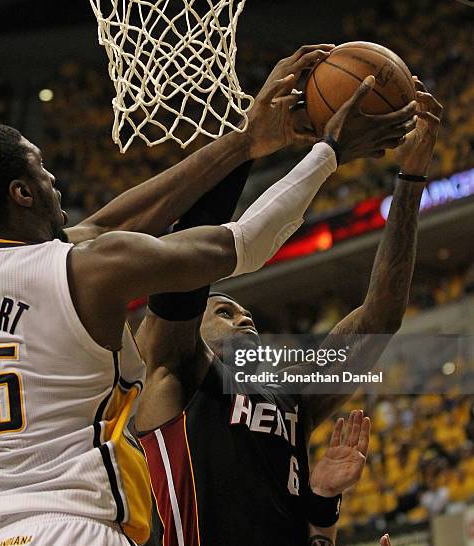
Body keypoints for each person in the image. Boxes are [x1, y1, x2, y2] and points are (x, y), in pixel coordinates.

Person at [0, 42, 416, 545]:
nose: (54, 181)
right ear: (22, 194)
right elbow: (246, 242)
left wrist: (245, 142)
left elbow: (119, 222)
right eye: (41, 172)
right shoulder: (85, 272)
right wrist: (330, 153)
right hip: (68, 527)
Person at [135, 79, 442, 546]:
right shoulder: (172, 371)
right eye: (223, 310)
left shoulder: (292, 394)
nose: (244, 318)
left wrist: (411, 180)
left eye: (245, 314)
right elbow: (184, 272)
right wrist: (249, 143)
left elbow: (379, 318)